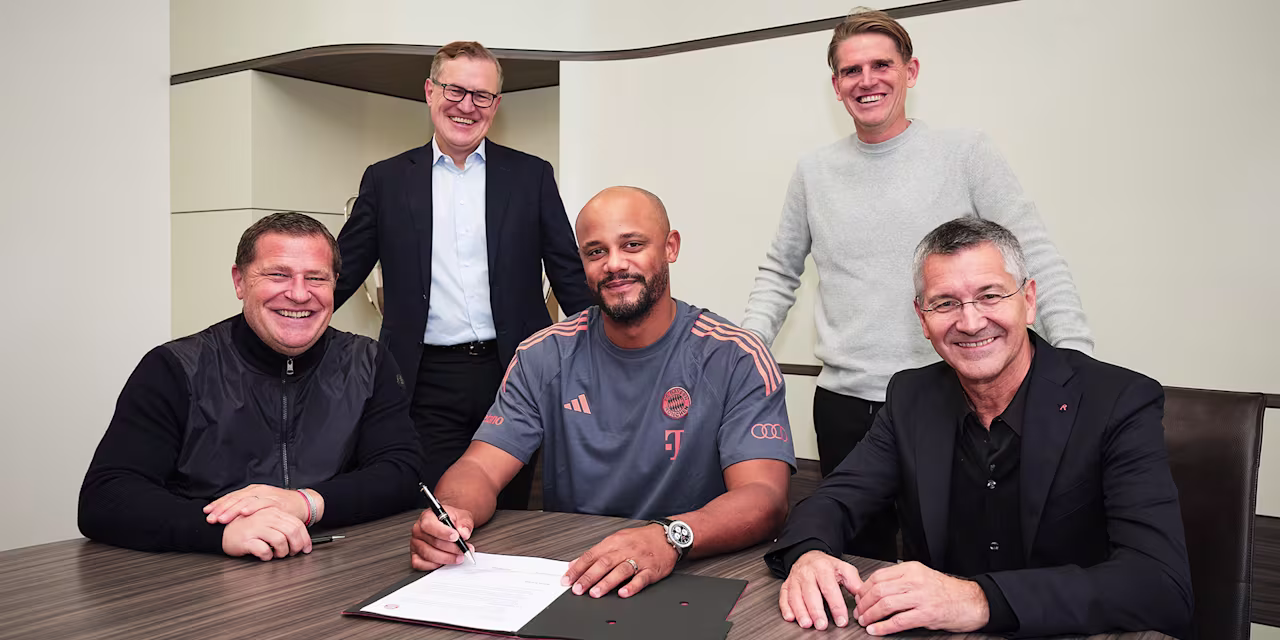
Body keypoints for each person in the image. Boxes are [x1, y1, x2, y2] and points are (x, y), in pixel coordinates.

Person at [741, 9, 1094, 561]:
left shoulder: (967, 152)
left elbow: (1034, 257)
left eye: (881, 65)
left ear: (911, 71)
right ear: (836, 85)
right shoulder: (814, 172)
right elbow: (779, 272)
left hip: (951, 397)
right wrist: (742, 355)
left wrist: (1075, 359)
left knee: (959, 559)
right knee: (853, 562)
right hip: (845, 405)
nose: (867, 80)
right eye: (851, 70)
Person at [766, 218, 1192, 638]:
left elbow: (1159, 585)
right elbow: (835, 500)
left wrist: (978, 600)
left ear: (1029, 300)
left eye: (990, 296)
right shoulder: (911, 397)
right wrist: (809, 554)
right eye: (945, 303)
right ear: (922, 318)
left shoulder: (1117, 401)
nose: (970, 322)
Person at [410, 187, 795, 599]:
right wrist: (453, 513)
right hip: (577, 574)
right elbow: (480, 468)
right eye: (596, 252)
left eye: (632, 245)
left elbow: (764, 499)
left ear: (670, 247)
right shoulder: (543, 355)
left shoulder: (735, 356)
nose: (614, 264)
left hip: (699, 569)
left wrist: (669, 536)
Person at [79, 212, 424, 561]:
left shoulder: (369, 362)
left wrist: (304, 503)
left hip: (332, 565)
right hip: (202, 573)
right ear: (240, 281)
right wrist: (221, 531)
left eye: (316, 278)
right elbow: (106, 496)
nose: (299, 294)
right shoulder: (174, 368)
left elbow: (402, 472)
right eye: (278, 275)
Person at [335, 41, 592, 507]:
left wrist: (614, 352)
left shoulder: (531, 176)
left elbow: (569, 276)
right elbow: (341, 272)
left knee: (510, 512)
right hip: (424, 380)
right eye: (455, 90)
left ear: (496, 103)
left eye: (482, 95)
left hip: (517, 374)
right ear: (430, 91)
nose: (467, 106)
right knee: (439, 512)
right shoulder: (386, 180)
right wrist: (283, 322)